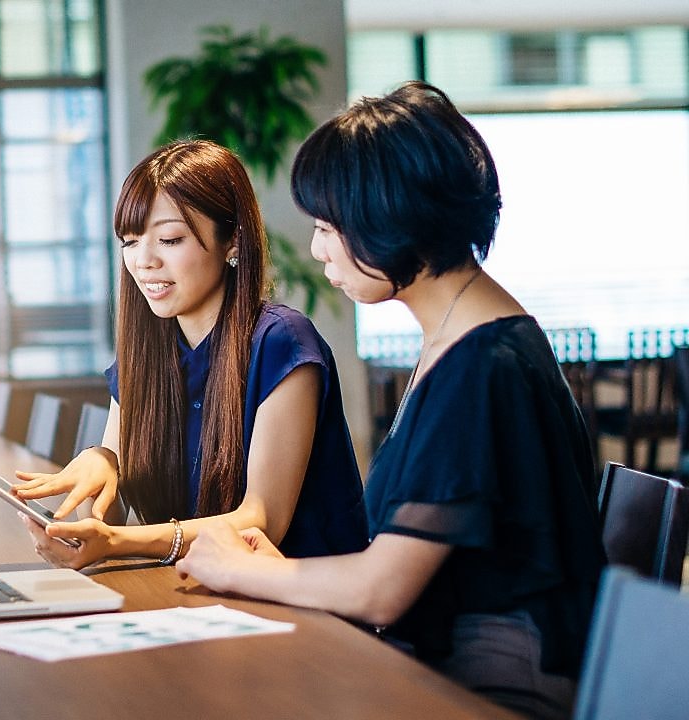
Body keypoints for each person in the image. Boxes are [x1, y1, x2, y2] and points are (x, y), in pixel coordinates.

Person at [174, 83, 605, 720]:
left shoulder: (483, 367)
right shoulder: (471, 338)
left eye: (326, 227)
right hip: (442, 662)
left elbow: (382, 592)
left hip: (489, 689)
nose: (318, 248)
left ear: (387, 218)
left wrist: (239, 570)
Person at [14, 139, 367, 570]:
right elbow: (103, 526)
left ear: (233, 239)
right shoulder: (144, 356)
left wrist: (116, 541)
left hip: (306, 611)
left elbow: (261, 524)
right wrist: (100, 464)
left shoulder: (282, 341)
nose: (144, 261)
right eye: (129, 241)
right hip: (200, 597)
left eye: (169, 238)